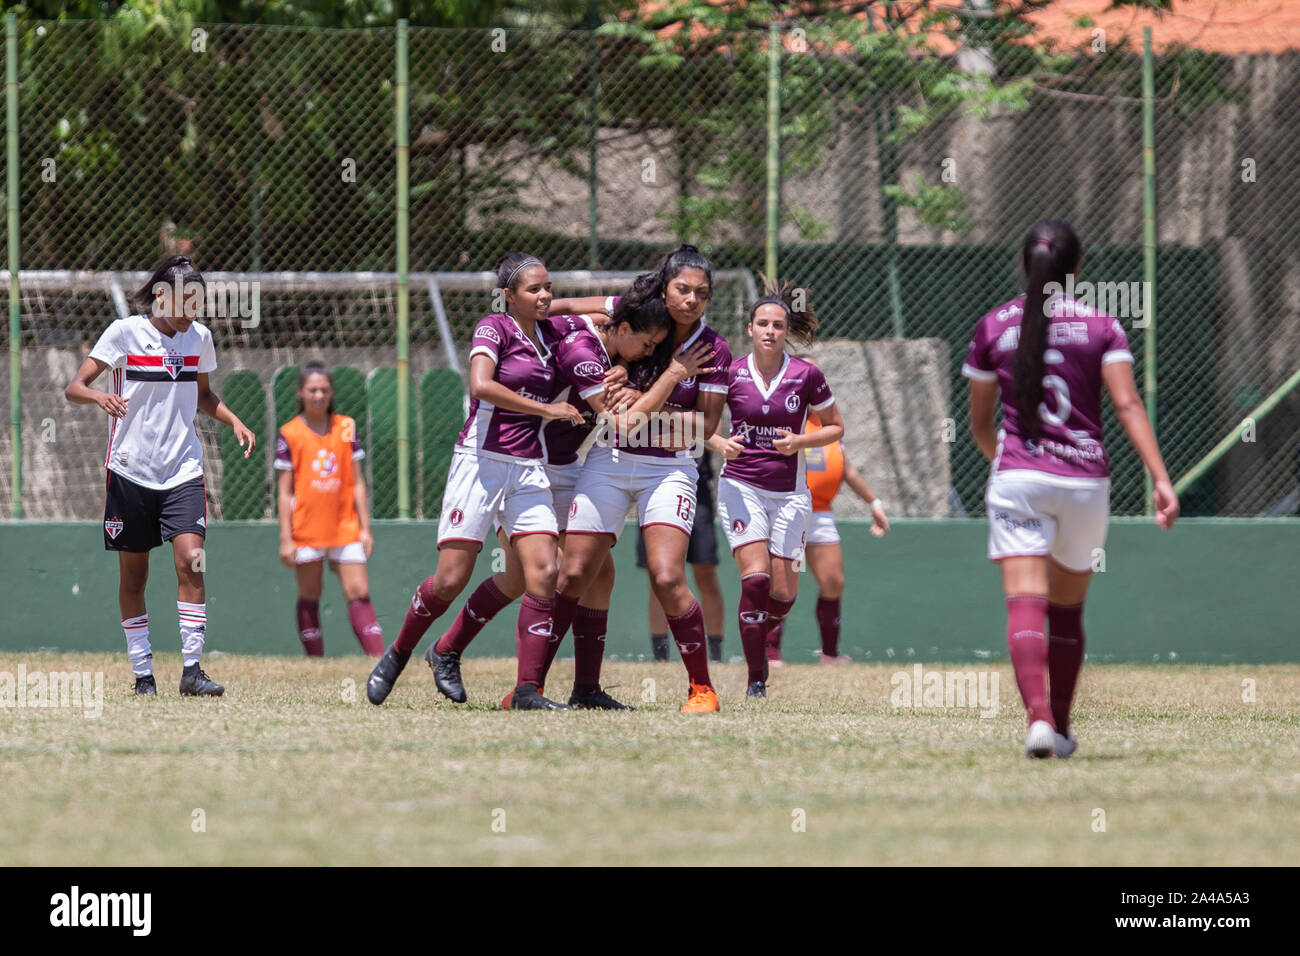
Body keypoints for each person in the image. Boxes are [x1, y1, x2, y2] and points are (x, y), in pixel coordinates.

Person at [425, 296, 711, 709]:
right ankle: (466, 658)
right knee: (535, 575)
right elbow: (624, 421)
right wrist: (672, 375)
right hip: (530, 465)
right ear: (624, 329)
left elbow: (595, 308)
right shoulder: (581, 348)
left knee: (591, 573)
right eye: (647, 344)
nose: (649, 352)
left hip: (563, 465)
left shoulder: (607, 342)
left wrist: (627, 368)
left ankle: (582, 689)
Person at [963, 218, 1179, 758]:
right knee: (1066, 612)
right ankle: (1058, 729)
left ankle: (1036, 720)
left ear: (1022, 264)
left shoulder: (993, 327)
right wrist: (1160, 476)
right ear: (1077, 268)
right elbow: (1128, 404)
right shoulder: (1102, 325)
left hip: (1019, 479)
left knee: (1024, 603)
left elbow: (980, 425)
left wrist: (1009, 465)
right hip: (1084, 482)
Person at [365, 252, 583, 711]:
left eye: (550, 288)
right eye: (534, 289)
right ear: (509, 296)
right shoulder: (493, 327)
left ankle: (525, 690)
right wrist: (547, 410)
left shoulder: (553, 331)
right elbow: (481, 385)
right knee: (450, 579)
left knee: (543, 572)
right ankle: (400, 654)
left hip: (528, 466)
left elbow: (600, 308)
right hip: (480, 461)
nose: (545, 296)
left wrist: (641, 295)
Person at [545, 244, 731, 713]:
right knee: (572, 573)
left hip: (669, 469)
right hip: (608, 460)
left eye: (702, 294)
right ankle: (535, 686)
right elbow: (565, 308)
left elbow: (704, 428)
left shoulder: (712, 348)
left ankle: (701, 689)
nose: (691, 300)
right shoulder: (635, 318)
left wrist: (647, 402)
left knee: (668, 577)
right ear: (664, 287)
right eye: (682, 289)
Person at [64, 254, 257, 696]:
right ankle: (143, 675)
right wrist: (97, 398)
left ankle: (192, 671)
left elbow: (204, 394)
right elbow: (73, 387)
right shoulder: (125, 333)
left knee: (192, 560)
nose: (193, 308)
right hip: (130, 470)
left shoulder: (200, 338)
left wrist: (234, 421)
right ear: (161, 296)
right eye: (186, 299)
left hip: (182, 469)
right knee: (134, 577)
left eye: (198, 300)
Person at [713, 282, 844, 698]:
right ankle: (756, 679)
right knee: (755, 581)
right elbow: (701, 422)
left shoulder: (806, 374)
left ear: (787, 331)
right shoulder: (730, 372)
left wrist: (799, 442)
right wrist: (719, 443)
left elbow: (836, 427)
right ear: (749, 328)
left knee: (783, 595)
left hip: (790, 494)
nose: (770, 330)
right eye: (762, 323)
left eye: (778, 324)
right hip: (741, 486)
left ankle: (753, 626)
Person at [765, 407, 889, 665]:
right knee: (782, 585)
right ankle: (770, 653)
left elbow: (847, 469)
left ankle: (830, 655)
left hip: (820, 515)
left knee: (833, 582)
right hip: (788, 512)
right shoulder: (781, 419)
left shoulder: (828, 425)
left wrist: (874, 503)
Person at [275, 362, 383, 658]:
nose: (319, 395)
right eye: (312, 390)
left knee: (359, 591)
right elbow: (284, 492)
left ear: (331, 392)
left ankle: (378, 661)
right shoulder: (290, 432)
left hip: (345, 526)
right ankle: (316, 662)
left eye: (324, 389)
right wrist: (286, 538)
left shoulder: (346, 427)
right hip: (306, 529)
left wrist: (365, 528)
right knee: (310, 595)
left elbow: (358, 482)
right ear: (300, 392)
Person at [634, 453, 727, 664]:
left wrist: (718, 441)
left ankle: (715, 656)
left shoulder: (700, 419)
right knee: (658, 577)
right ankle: (661, 657)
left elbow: (708, 430)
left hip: (697, 488)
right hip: (653, 484)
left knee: (706, 574)